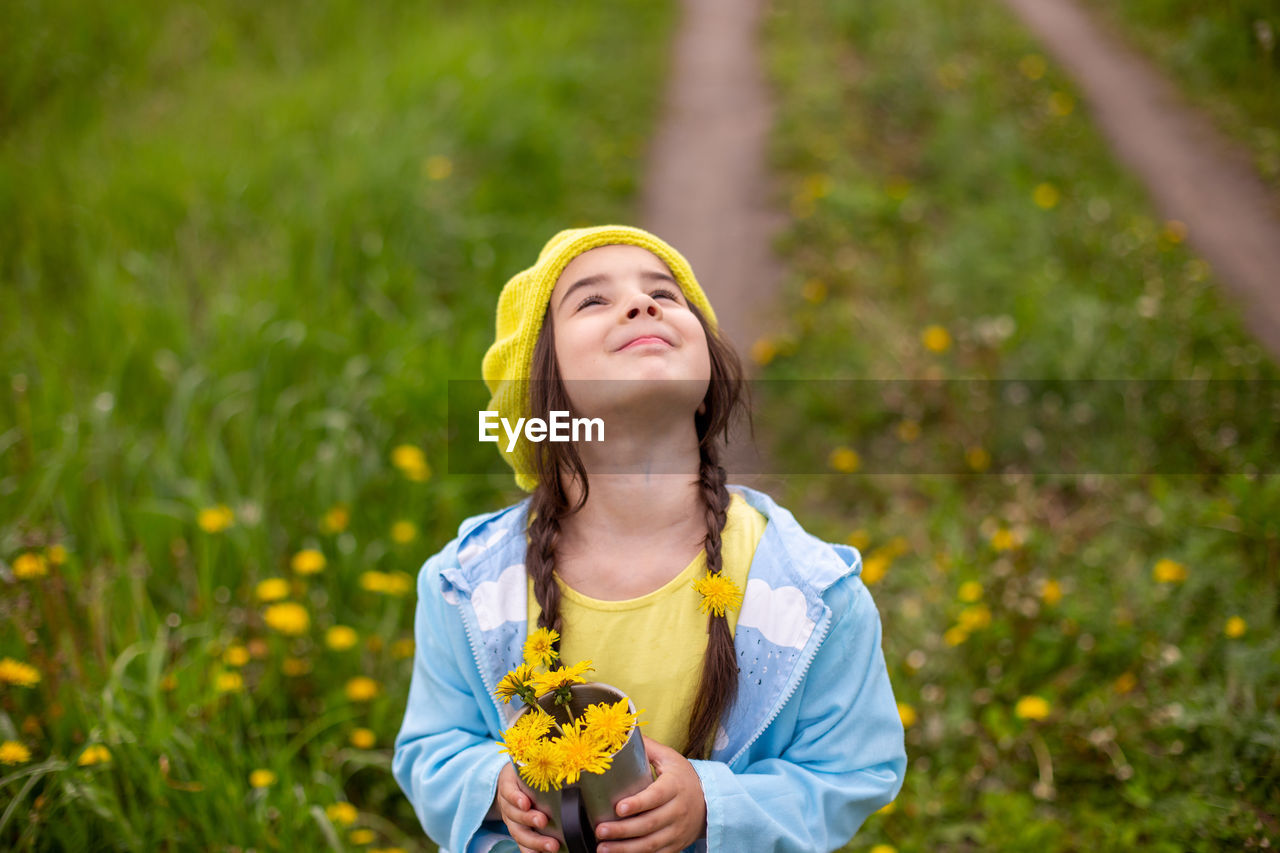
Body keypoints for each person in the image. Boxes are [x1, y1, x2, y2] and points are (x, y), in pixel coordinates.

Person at [392, 225, 907, 853]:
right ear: (540, 399)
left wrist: (714, 808)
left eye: (665, 293)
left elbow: (853, 771)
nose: (643, 304)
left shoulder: (811, 594)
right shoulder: (466, 589)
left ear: (708, 381)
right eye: (591, 301)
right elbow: (430, 751)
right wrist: (496, 787)